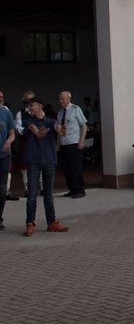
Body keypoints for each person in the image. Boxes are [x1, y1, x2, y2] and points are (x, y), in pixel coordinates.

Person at [22, 97, 67, 236]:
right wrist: (38, 133)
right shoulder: (28, 120)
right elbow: (33, 128)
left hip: (49, 161)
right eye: (29, 106)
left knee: (48, 194)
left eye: (32, 105)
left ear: (40, 106)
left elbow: (57, 127)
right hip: (33, 162)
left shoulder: (50, 121)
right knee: (32, 194)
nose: (30, 108)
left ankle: (51, 222)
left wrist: (60, 130)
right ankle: (30, 223)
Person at [57, 91, 88, 198]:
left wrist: (82, 140)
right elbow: (59, 129)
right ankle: (72, 189)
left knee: (75, 167)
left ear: (69, 99)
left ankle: (80, 189)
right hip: (64, 143)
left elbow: (83, 125)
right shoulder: (60, 113)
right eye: (60, 99)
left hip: (74, 142)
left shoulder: (75, 109)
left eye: (63, 99)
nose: (61, 101)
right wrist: (58, 144)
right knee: (67, 168)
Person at [0, 90, 16, 229]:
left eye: (2, 97)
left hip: (4, 156)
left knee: (2, 189)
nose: (1, 99)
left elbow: (12, 133)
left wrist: (8, 141)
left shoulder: (6, 113)